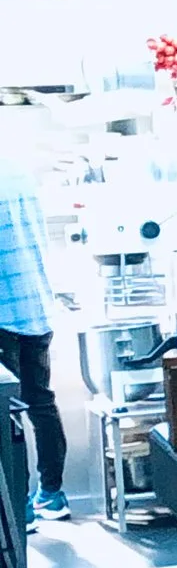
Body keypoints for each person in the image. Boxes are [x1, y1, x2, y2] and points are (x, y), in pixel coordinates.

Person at [0, 136, 68, 515]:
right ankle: (52, 493)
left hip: (3, 312)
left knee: (6, 412)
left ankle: (19, 507)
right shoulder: (18, 170)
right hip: (35, 305)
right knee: (40, 402)